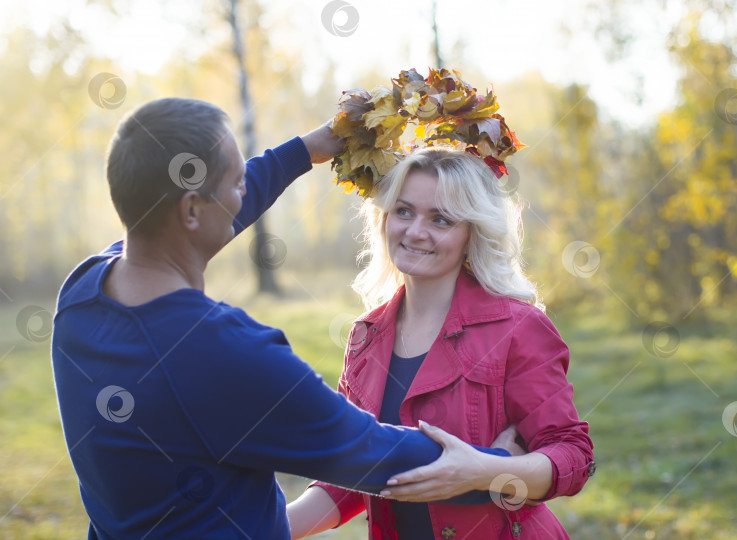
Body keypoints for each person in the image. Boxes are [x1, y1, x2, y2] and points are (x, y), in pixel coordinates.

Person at [50, 98, 518, 540]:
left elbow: (175, 222)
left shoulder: (83, 292)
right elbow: (367, 451)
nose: (243, 193)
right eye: (236, 183)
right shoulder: (225, 353)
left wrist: (305, 151)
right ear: (192, 210)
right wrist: (498, 467)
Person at [286, 147, 596, 539]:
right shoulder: (365, 336)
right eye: (403, 211)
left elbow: (573, 456)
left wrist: (486, 470)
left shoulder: (517, 328)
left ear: (471, 233)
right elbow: (350, 468)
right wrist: (264, 528)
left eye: (440, 219)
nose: (415, 231)